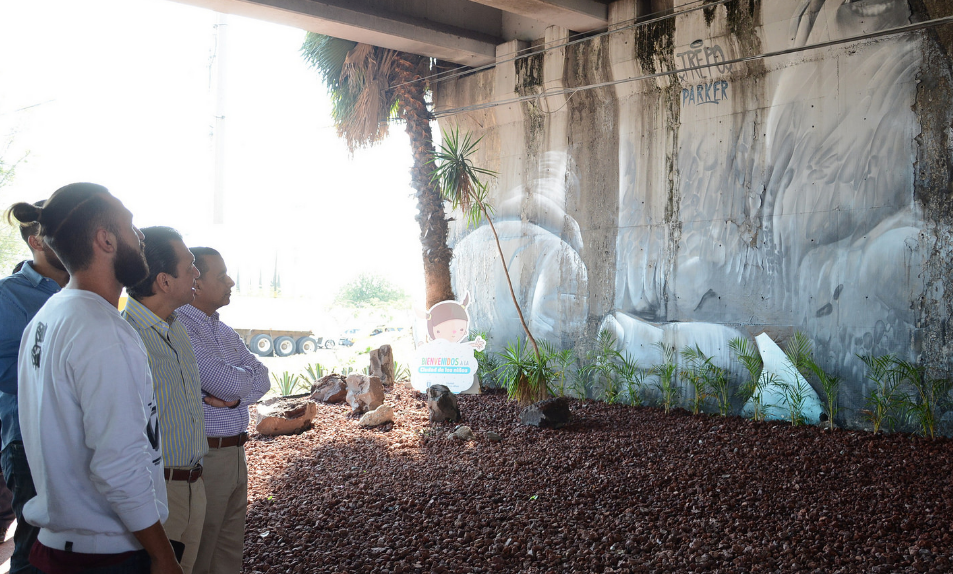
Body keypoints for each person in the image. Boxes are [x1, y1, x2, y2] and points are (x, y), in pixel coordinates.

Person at [9, 183, 183, 574]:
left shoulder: (51, 314)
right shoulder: (101, 330)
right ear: (105, 239)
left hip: (61, 544)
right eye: (130, 225)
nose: (139, 237)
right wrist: (162, 555)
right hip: (103, 553)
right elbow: (118, 465)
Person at [177, 247, 269, 574]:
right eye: (222, 275)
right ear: (195, 283)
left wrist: (234, 396)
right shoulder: (181, 329)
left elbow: (264, 378)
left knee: (229, 552)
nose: (230, 281)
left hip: (236, 453)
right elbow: (229, 382)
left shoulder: (223, 330)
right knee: (200, 553)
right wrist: (237, 386)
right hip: (207, 457)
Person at [123, 227, 207, 573]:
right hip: (158, 494)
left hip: (193, 485)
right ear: (164, 281)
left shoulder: (177, 328)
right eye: (190, 266)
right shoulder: (126, 336)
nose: (197, 273)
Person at [0, 199, 70, 573]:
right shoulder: (9, 294)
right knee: (34, 549)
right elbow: (6, 371)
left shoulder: (86, 294)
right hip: (27, 443)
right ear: (37, 241)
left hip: (73, 438)